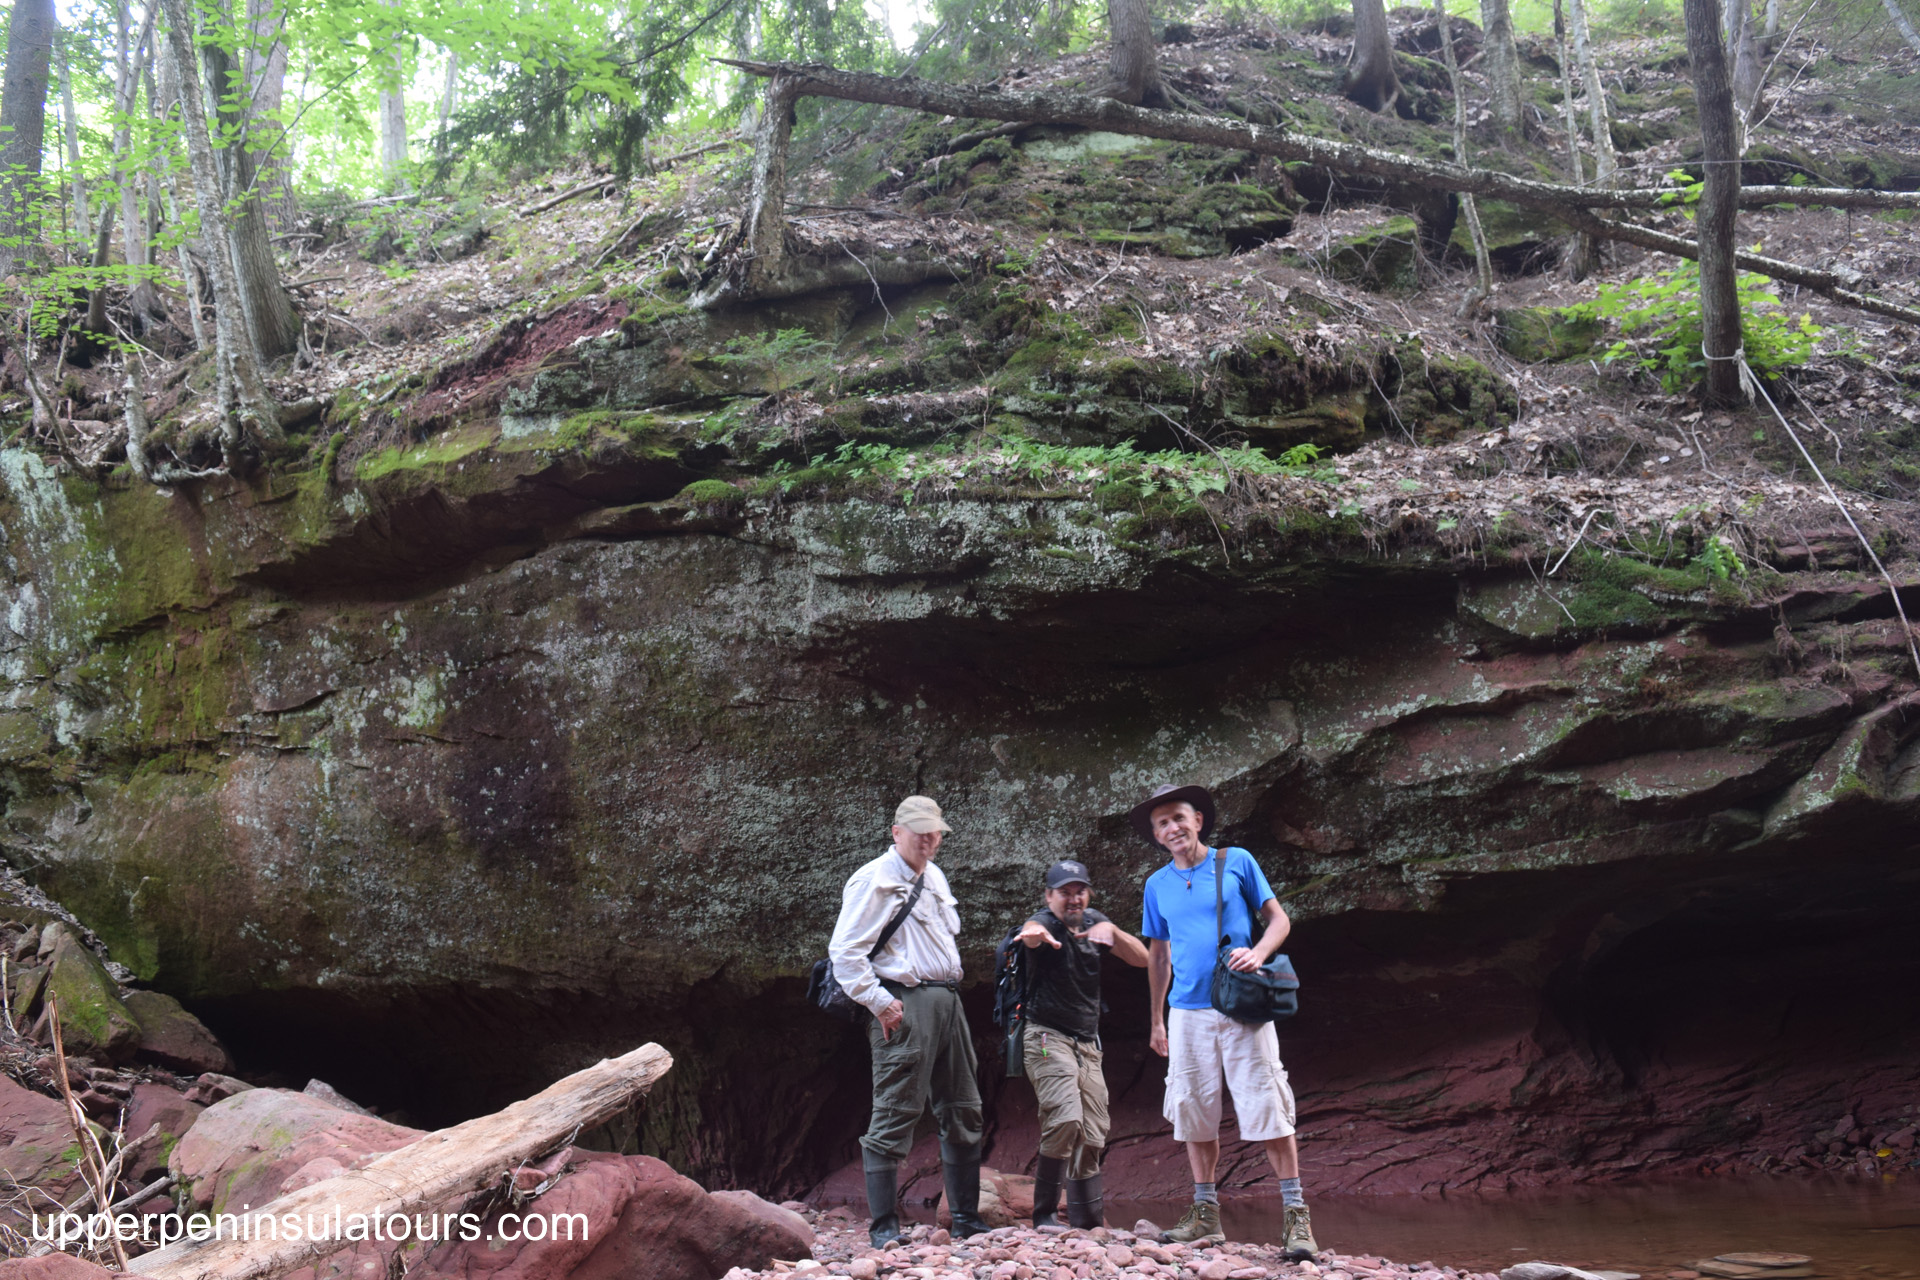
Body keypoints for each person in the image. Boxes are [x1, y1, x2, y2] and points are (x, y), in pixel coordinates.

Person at [1133, 784, 1319, 1259]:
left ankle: (1297, 1218)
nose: (1172, 828)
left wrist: (1257, 954)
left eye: (1178, 818)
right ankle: (1206, 1216)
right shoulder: (1156, 886)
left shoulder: (1235, 860)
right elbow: (1159, 955)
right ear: (1157, 836)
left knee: (1267, 1103)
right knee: (1193, 1109)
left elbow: (1279, 920)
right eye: (1162, 824)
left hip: (1241, 1007)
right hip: (1186, 1012)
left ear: (1198, 819)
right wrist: (1157, 1019)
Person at [829, 795, 987, 1247]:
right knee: (896, 1109)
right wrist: (880, 1002)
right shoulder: (873, 879)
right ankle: (884, 1230)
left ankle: (967, 1220)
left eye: (934, 831)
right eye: (918, 830)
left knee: (962, 1107)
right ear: (896, 832)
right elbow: (845, 953)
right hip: (905, 1000)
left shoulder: (933, 874)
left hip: (948, 1000)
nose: (928, 839)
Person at [1012, 858, 1150, 1229]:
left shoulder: (1094, 922)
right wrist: (1034, 936)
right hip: (1045, 1037)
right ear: (1049, 895)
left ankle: (1087, 1221)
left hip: (1088, 1043)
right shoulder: (1044, 923)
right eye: (1064, 893)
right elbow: (1029, 931)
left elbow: (1143, 959)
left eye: (1079, 892)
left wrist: (1112, 930)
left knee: (1093, 1131)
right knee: (1065, 1118)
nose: (1073, 899)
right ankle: (1043, 1215)